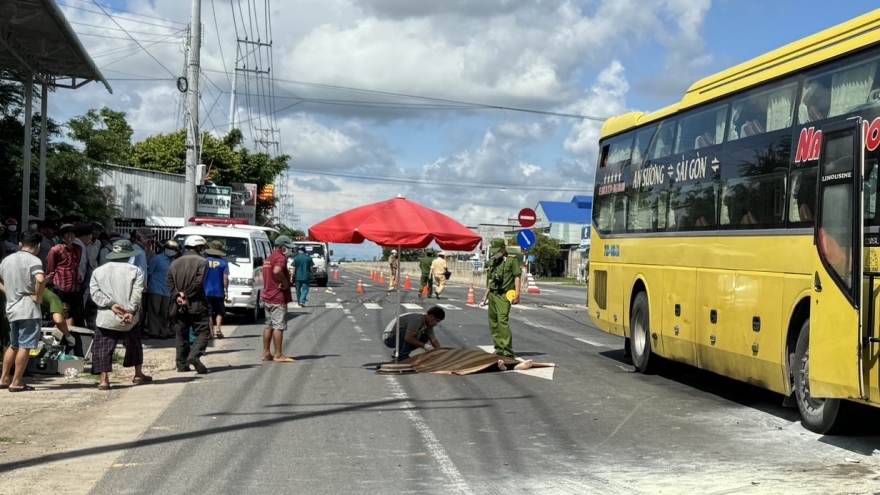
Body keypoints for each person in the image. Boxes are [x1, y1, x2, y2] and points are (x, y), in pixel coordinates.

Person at [89, 239, 151, 390]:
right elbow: (137, 293)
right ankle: (138, 374)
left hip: (106, 317)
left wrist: (111, 304)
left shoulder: (98, 271)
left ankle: (104, 380)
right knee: (134, 345)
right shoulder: (134, 270)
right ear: (129, 255)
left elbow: (95, 293)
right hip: (130, 318)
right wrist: (130, 311)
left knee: (103, 348)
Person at [0, 230, 46, 392]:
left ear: (20, 244)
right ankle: (17, 381)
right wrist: (38, 297)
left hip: (12, 307)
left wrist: (10, 291)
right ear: (38, 246)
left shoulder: (7, 260)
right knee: (25, 346)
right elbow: (40, 279)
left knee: (13, 345)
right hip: (28, 308)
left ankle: (4, 378)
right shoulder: (34, 260)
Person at [166, 235, 211, 374]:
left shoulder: (175, 262)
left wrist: (177, 295)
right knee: (203, 331)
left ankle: (181, 364)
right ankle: (194, 356)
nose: (203, 249)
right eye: (203, 247)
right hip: (196, 304)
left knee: (181, 335)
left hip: (178, 305)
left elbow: (168, 281)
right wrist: (186, 294)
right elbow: (198, 283)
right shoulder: (203, 262)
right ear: (199, 247)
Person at [481, 238, 521, 359]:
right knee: (493, 322)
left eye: (497, 250)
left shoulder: (511, 260)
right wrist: (486, 295)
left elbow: (517, 277)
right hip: (493, 294)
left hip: (504, 295)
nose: (495, 253)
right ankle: (498, 348)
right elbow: (491, 280)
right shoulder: (493, 261)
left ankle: (507, 350)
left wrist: (518, 294)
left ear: (504, 248)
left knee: (502, 321)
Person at [261, 235, 295, 363]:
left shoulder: (269, 258)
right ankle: (278, 355)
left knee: (268, 325)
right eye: (287, 248)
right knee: (278, 326)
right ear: (282, 247)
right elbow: (276, 271)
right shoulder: (280, 258)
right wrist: (285, 282)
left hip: (267, 296)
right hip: (277, 297)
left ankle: (266, 353)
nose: (289, 251)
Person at [46, 223, 83, 327]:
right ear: (62, 236)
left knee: (74, 313)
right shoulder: (56, 249)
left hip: (75, 287)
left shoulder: (79, 249)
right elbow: (50, 270)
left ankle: (70, 335)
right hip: (60, 286)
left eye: (72, 234)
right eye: (67, 234)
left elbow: (77, 265)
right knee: (60, 311)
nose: (70, 236)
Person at [144, 240, 179, 339]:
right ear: (166, 249)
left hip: (167, 291)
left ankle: (162, 332)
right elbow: (149, 273)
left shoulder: (174, 262)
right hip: (155, 289)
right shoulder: (157, 259)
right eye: (172, 249)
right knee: (154, 312)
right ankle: (154, 332)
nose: (174, 252)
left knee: (164, 313)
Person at [205, 240, 230, 339]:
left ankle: (210, 332)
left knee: (209, 312)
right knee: (220, 311)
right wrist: (226, 291)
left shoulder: (204, 261)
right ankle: (218, 329)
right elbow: (225, 278)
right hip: (219, 291)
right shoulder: (224, 263)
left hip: (206, 291)